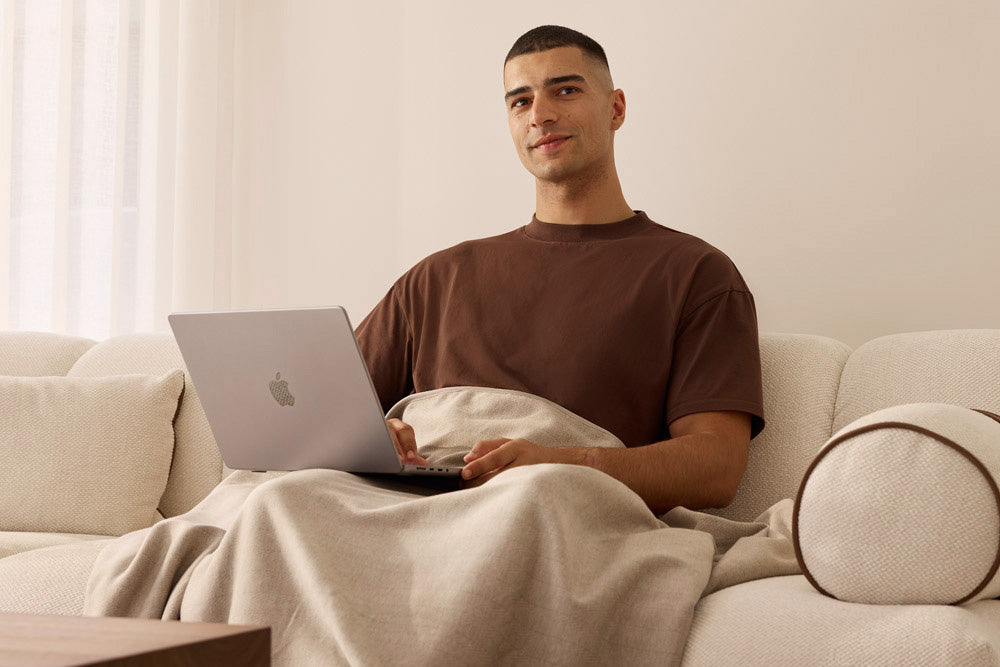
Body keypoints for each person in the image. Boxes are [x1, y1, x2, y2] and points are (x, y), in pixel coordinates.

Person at [356, 25, 765, 515]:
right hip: (414, 507)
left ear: (616, 108)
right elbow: (318, 417)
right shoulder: (435, 279)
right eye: (520, 101)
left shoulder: (697, 274)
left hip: (557, 511)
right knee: (282, 497)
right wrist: (373, 439)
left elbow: (717, 467)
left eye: (565, 91)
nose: (540, 115)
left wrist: (559, 466)